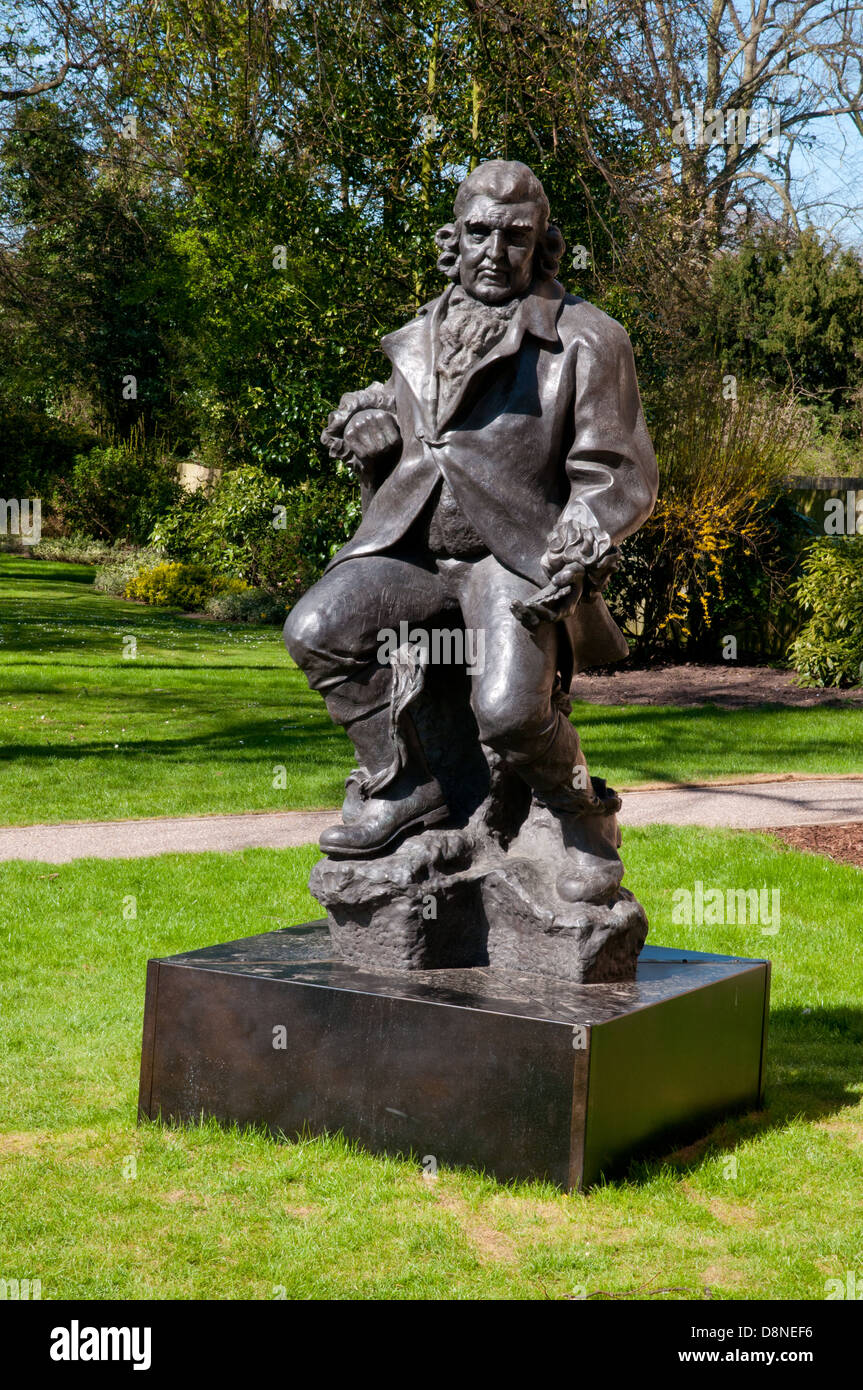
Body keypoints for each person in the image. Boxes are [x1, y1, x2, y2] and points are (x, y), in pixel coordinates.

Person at [285, 159, 657, 883]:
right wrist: (363, 431)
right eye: (479, 232)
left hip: (513, 558)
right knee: (317, 632)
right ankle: (403, 788)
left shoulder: (588, 338)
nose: (494, 251)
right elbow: (399, 428)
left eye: (515, 237)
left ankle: (581, 814)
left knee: (510, 713)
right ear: (452, 238)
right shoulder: (418, 336)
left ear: (543, 244)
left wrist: (581, 542)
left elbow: (618, 473)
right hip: (411, 548)